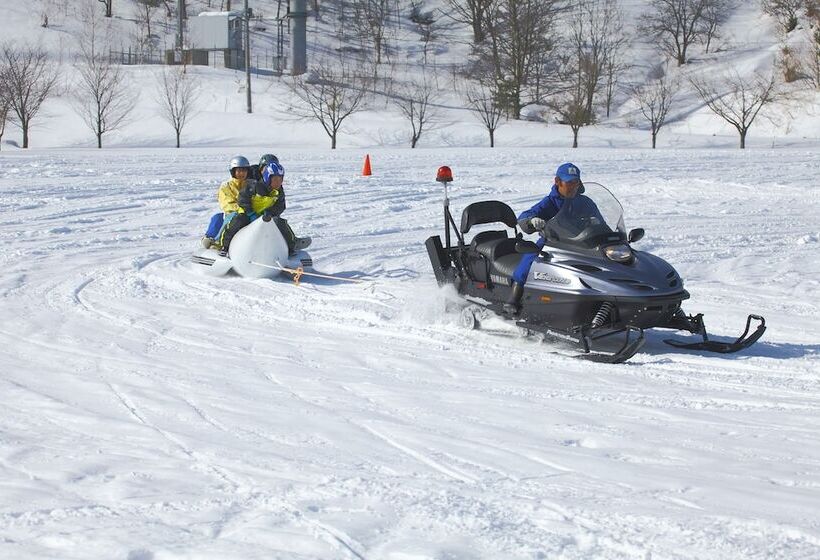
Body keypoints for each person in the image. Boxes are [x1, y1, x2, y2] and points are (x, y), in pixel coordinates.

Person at [504, 162, 583, 315]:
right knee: (530, 262)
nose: (573, 187)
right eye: (569, 182)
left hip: (581, 244)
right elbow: (525, 216)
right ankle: (513, 299)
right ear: (558, 182)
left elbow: (601, 222)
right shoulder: (550, 202)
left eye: (576, 182)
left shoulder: (584, 202)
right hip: (551, 243)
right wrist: (532, 220)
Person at [220, 160, 311, 255]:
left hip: (264, 216)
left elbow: (280, 206)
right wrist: (251, 213)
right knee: (237, 221)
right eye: (275, 179)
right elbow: (242, 199)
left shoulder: (279, 191)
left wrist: (270, 213)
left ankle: (291, 245)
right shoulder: (254, 186)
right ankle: (225, 246)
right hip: (247, 213)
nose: (278, 182)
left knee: (279, 222)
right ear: (267, 178)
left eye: (280, 179)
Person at [201, 155, 252, 249]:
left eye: (244, 171)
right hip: (233, 214)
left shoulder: (251, 185)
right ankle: (219, 241)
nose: (242, 173)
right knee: (234, 216)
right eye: (239, 171)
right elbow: (227, 204)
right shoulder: (226, 186)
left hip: (249, 213)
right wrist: (242, 209)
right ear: (233, 172)